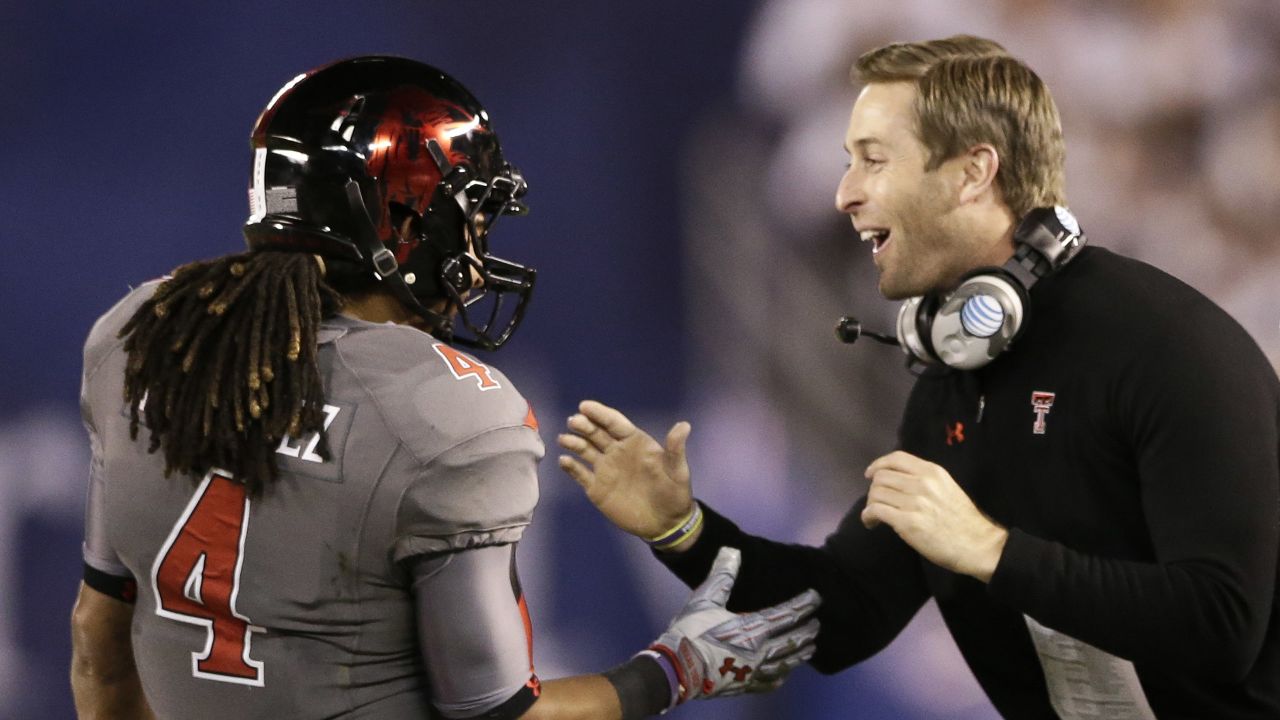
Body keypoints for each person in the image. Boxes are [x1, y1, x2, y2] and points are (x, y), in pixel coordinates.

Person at [68, 56, 822, 720]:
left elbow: (99, 647)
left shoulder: (145, 335)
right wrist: (676, 671)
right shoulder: (448, 411)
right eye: (468, 214)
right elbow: (499, 714)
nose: (477, 244)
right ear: (400, 219)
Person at [557, 35, 1280, 719]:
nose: (844, 193)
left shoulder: (1170, 349)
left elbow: (1220, 625)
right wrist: (681, 529)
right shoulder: (952, 386)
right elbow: (840, 614)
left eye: (874, 159)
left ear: (973, 173)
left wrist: (993, 551)